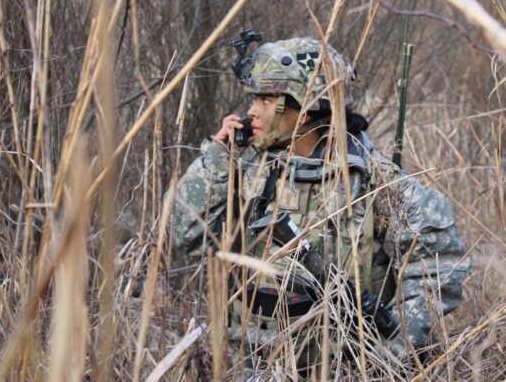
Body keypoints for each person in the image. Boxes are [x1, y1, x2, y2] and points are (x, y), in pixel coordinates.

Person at [168, 36, 471, 378]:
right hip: (246, 364)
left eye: (266, 98)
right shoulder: (247, 170)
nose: (252, 110)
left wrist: (392, 350)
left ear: (306, 107)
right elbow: (186, 237)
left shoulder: (374, 181)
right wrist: (218, 158)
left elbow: (440, 266)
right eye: (255, 98)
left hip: (338, 367)